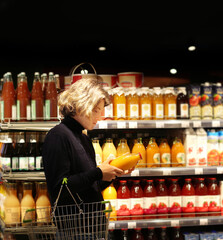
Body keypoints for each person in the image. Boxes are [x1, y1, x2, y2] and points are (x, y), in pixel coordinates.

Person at [42, 77, 133, 239]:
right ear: (82, 105)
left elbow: (90, 186)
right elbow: (60, 187)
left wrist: (112, 173)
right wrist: (98, 172)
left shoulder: (83, 138)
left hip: (93, 228)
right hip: (73, 231)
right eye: (97, 110)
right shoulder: (58, 136)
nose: (101, 116)